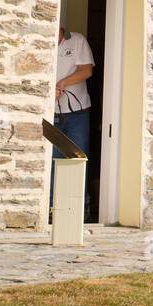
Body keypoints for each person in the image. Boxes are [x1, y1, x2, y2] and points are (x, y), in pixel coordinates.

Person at [51, 21, 95, 213]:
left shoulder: (77, 40)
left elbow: (87, 70)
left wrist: (62, 83)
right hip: (51, 112)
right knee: (53, 161)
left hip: (78, 112)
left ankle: (79, 208)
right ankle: (53, 208)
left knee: (77, 159)